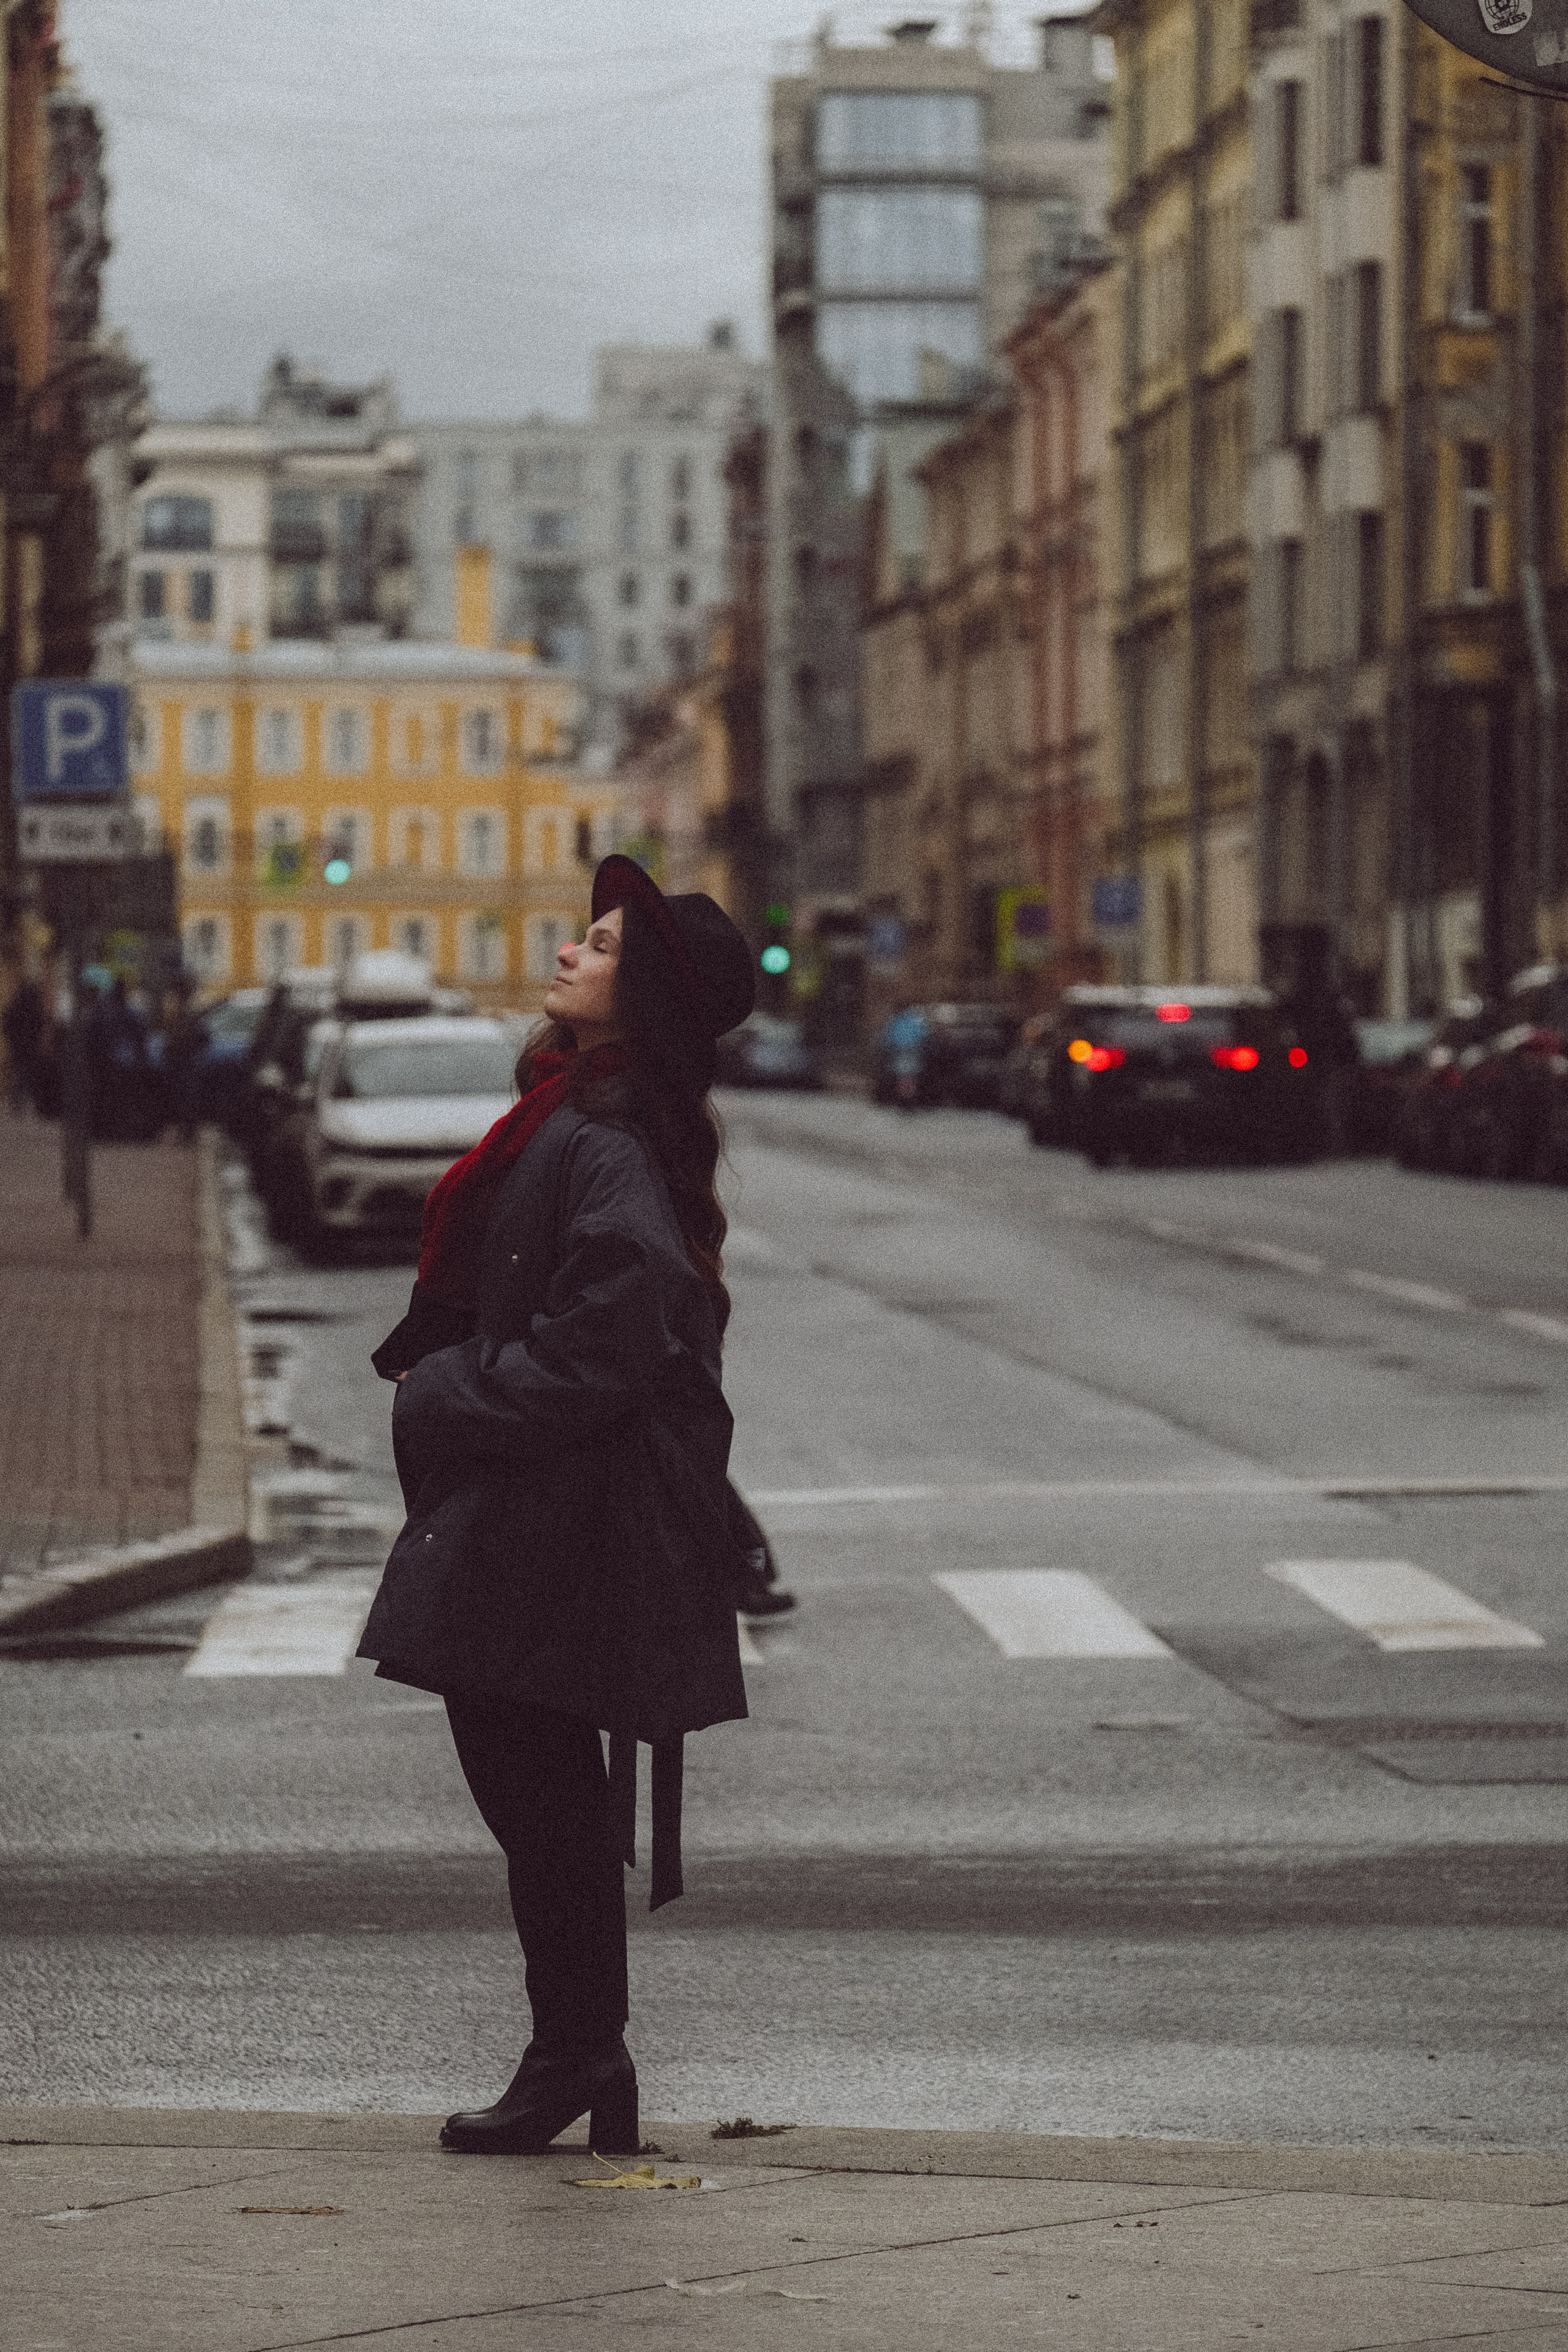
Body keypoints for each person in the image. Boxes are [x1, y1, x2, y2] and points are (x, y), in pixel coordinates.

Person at [358, 856, 758, 2157]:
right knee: (549, 1804)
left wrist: (452, 1392)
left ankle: (575, 2054)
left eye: (597, 944)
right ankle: (582, 2056)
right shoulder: (581, 1115)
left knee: (538, 1801)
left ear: (639, 998)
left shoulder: (598, 1134)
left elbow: (615, 1333)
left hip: (554, 1513)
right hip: (550, 1506)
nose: (570, 951)